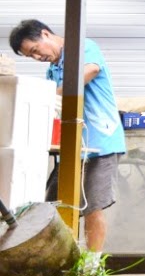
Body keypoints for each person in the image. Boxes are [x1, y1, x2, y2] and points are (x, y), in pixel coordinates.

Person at [9, 19, 126, 253]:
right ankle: (61, 260)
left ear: (45, 34)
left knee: (92, 205)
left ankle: (92, 264)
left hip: (100, 141)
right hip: (71, 147)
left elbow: (91, 70)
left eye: (35, 50)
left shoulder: (83, 48)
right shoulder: (52, 70)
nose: (37, 57)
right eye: (30, 56)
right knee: (53, 205)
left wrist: (53, 95)